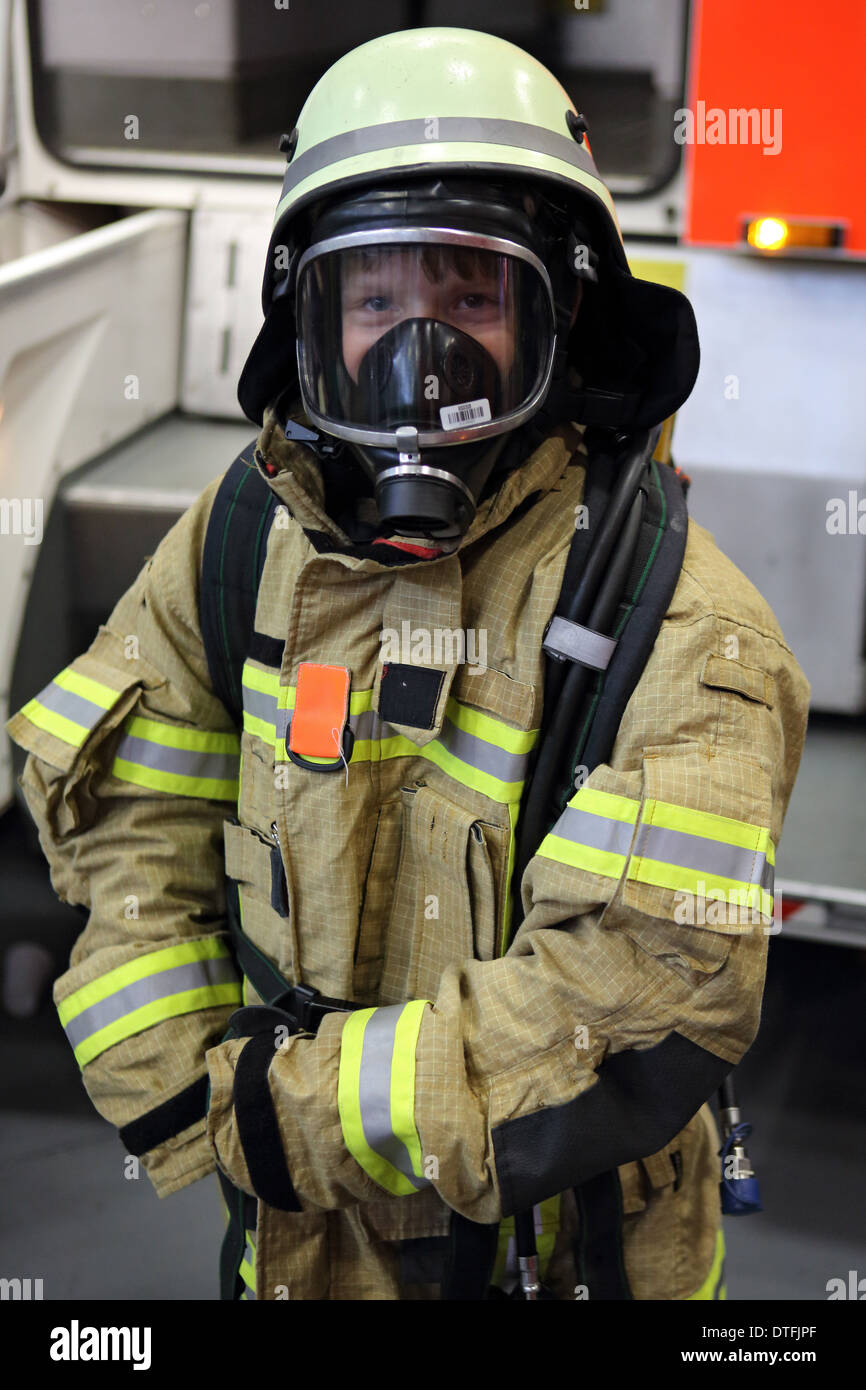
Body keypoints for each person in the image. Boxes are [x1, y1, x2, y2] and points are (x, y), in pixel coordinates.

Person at [6, 27, 810, 1301]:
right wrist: (174, 1071)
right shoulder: (240, 536)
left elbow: (648, 986)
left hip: (560, 1259)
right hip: (286, 1242)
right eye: (373, 301)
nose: (415, 356)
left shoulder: (684, 625)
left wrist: (283, 1118)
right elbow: (130, 812)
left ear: (566, 314)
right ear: (307, 320)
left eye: (471, 298)